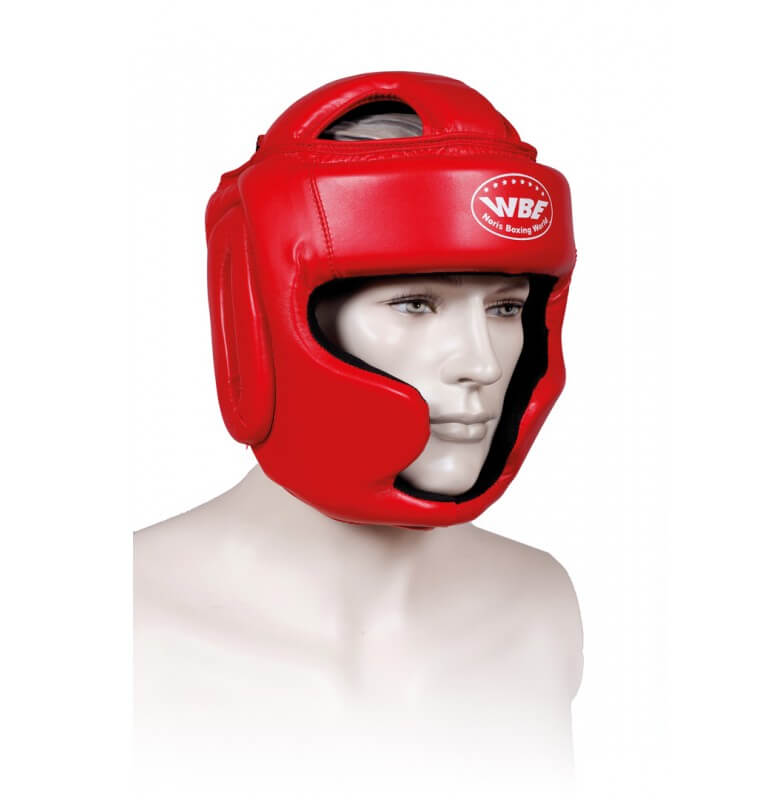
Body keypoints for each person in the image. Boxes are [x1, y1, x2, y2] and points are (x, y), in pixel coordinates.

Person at [134, 72, 583, 798]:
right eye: (416, 305)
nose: (482, 364)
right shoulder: (120, 616)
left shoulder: (539, 602)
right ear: (262, 318)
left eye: (505, 309)